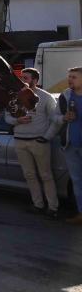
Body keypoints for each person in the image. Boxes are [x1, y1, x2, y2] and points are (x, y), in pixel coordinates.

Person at [4, 68, 60, 218]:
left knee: (46, 175)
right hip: (20, 141)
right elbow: (7, 117)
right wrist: (17, 120)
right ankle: (38, 205)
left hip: (39, 141)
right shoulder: (14, 97)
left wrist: (46, 137)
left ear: (35, 80)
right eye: (21, 78)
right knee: (29, 175)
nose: (22, 81)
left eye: (26, 78)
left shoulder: (46, 97)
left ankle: (53, 208)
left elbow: (56, 121)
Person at [54, 67, 82, 225]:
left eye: (74, 77)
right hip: (70, 145)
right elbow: (54, 116)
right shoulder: (65, 95)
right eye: (69, 77)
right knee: (77, 181)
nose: (70, 80)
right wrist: (64, 118)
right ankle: (81, 213)